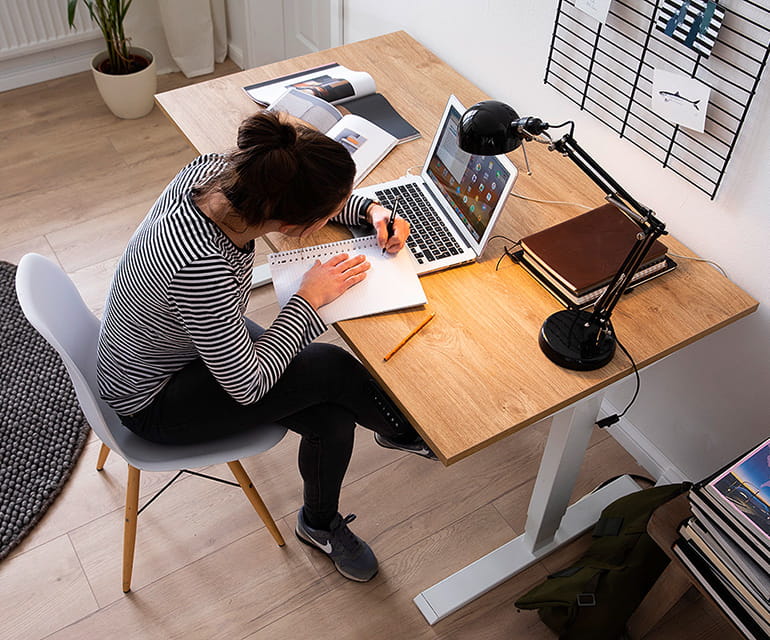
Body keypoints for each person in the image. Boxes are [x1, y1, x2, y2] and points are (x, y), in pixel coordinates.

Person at [97, 110, 436, 583]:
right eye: (330, 212)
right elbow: (248, 387)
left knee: (332, 417)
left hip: (175, 346)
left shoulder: (218, 174)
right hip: (152, 399)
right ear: (297, 225)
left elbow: (298, 190)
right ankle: (406, 429)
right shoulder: (201, 266)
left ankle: (317, 523)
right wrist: (308, 301)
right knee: (333, 367)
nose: (336, 213)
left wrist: (371, 211)